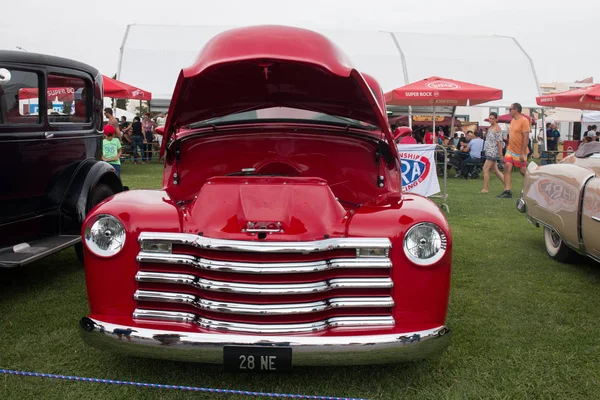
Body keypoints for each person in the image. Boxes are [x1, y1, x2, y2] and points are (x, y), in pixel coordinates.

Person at [497, 103, 530, 198]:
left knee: (523, 171)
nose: (509, 111)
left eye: (510, 109)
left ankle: (532, 185)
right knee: (507, 167)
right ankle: (507, 191)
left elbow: (526, 138)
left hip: (520, 151)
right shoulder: (512, 121)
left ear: (516, 110)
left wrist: (522, 153)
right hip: (510, 149)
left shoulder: (524, 121)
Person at [481, 112, 504, 193]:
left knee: (485, 169)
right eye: (490, 118)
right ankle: (507, 185)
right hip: (488, 150)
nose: (490, 120)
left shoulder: (497, 128)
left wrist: (501, 155)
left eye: (492, 119)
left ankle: (485, 188)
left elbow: (499, 142)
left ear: (496, 119)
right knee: (495, 171)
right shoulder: (490, 127)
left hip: (493, 151)